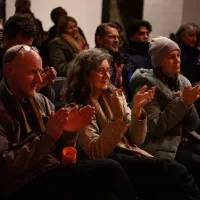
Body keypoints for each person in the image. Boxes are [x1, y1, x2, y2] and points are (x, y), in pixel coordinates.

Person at [1, 44, 137, 200]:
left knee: (109, 193)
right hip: (22, 184)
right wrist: (49, 137)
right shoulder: (3, 107)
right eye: (32, 72)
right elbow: (4, 166)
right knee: (110, 168)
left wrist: (69, 133)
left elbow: (61, 152)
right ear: (10, 70)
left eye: (39, 72)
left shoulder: (40, 101)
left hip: (50, 170)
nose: (39, 79)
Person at [64, 48, 200, 200]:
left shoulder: (114, 95)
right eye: (100, 71)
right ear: (85, 75)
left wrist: (137, 111)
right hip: (108, 164)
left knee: (173, 181)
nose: (107, 75)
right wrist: (117, 119)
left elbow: (136, 139)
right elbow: (96, 153)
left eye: (108, 70)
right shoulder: (79, 108)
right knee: (174, 170)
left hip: (128, 152)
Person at [130, 36, 200, 187]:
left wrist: (189, 106)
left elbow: (194, 125)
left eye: (178, 55)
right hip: (160, 145)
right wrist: (183, 103)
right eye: (171, 57)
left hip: (183, 139)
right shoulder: (146, 86)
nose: (177, 60)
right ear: (159, 62)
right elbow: (155, 127)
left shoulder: (183, 82)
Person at [0, 13, 56, 102]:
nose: (25, 51)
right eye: (19, 45)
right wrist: (33, 89)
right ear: (6, 38)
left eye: (28, 46)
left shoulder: (31, 57)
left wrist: (44, 85)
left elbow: (49, 100)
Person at [121, 19, 153, 101]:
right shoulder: (126, 55)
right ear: (131, 36)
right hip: (138, 96)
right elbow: (130, 81)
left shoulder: (151, 53)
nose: (146, 37)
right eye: (141, 34)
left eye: (147, 34)